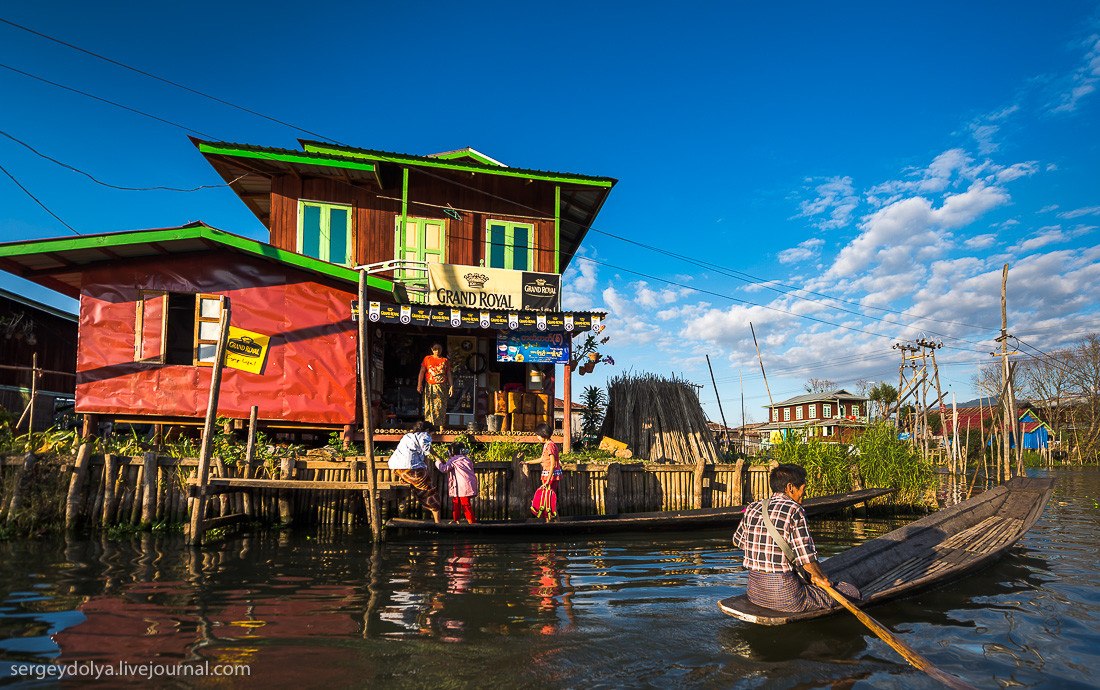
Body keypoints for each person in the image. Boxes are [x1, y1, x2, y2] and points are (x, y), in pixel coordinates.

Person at [732, 463, 861, 612]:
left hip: (754, 593)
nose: (804, 493)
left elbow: (738, 542)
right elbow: (806, 559)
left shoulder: (752, 507)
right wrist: (822, 578)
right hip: (786, 598)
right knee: (852, 591)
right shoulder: (795, 510)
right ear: (790, 487)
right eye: (803, 488)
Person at [388, 420, 443, 523]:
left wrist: (436, 457)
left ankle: (405, 479)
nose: (432, 436)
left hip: (395, 467)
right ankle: (438, 522)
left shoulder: (407, 436)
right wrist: (435, 460)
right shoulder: (424, 435)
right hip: (411, 468)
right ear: (427, 430)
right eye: (432, 433)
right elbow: (426, 448)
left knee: (417, 484)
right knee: (430, 493)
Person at [436, 441, 478, 524]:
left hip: (461, 487)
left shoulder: (452, 460)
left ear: (451, 452)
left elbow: (444, 469)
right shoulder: (467, 460)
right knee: (458, 502)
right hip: (465, 486)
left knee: (464, 504)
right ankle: (457, 520)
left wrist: (438, 462)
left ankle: (472, 523)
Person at [530, 423, 562, 522]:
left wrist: (548, 481)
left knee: (549, 500)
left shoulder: (550, 446)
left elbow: (552, 464)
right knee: (546, 500)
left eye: (538, 435)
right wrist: (527, 462)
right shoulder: (547, 445)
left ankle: (556, 523)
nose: (537, 437)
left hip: (550, 476)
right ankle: (549, 523)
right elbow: (542, 459)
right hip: (548, 476)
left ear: (544, 435)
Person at [417, 343, 452, 428]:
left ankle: (441, 427)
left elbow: (449, 374)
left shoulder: (445, 360)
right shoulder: (427, 359)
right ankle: (429, 426)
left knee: (440, 406)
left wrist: (451, 386)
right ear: (432, 349)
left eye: (439, 348)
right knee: (429, 406)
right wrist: (419, 384)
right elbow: (422, 372)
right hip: (430, 386)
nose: (437, 350)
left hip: (441, 386)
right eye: (435, 348)